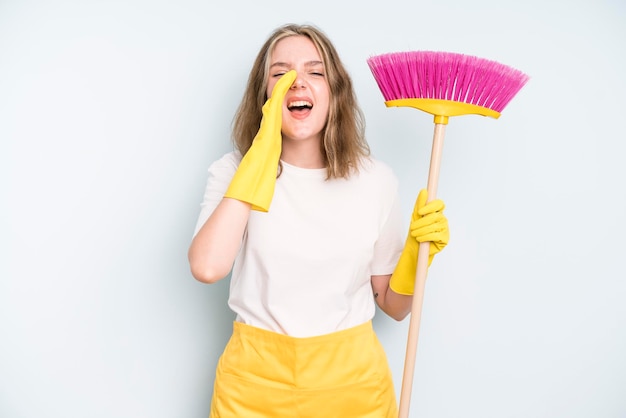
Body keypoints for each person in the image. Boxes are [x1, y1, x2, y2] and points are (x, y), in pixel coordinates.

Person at [188, 23, 449, 418]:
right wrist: (259, 158)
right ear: (265, 95)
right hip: (253, 388)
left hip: (353, 389)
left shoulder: (375, 180)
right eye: (281, 74)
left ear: (334, 92)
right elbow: (208, 267)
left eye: (315, 72)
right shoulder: (232, 171)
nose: (298, 83)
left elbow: (393, 307)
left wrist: (416, 256)